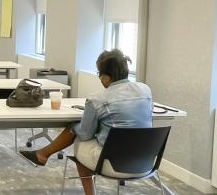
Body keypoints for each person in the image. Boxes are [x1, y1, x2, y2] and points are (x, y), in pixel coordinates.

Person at [19, 49, 152, 195]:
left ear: (106, 78)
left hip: (112, 163)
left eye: (99, 74)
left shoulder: (97, 99)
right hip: (145, 161)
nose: (99, 78)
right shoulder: (145, 90)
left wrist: (75, 126)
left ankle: (45, 156)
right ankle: (43, 154)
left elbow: (85, 134)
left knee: (79, 139)